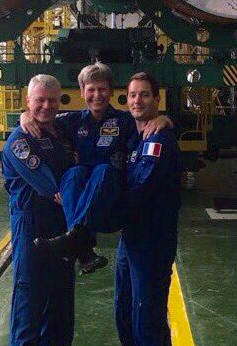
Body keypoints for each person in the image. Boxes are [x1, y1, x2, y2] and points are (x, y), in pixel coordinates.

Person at [1, 74, 94, 346]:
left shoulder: (61, 132)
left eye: (53, 100)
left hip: (61, 232)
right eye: (39, 100)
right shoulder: (19, 143)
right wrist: (78, 196)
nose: (46, 106)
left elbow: (88, 120)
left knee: (60, 315)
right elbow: (53, 188)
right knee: (28, 319)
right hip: (32, 233)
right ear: (27, 101)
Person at [21, 63, 171, 272]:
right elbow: (45, 118)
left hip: (110, 191)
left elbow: (147, 122)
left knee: (103, 170)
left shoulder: (125, 121)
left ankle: (77, 241)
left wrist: (164, 119)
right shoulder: (72, 121)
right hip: (83, 192)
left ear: (110, 92)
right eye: (90, 89)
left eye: (102, 89)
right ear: (82, 92)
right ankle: (83, 250)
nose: (97, 95)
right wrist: (26, 115)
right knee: (75, 173)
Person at [106, 72, 181, 346]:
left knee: (148, 325)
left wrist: (99, 217)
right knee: (125, 318)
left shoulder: (159, 141)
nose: (137, 101)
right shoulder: (135, 134)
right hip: (129, 243)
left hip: (150, 245)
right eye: (132, 95)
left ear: (157, 98)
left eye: (144, 95)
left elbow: (139, 190)